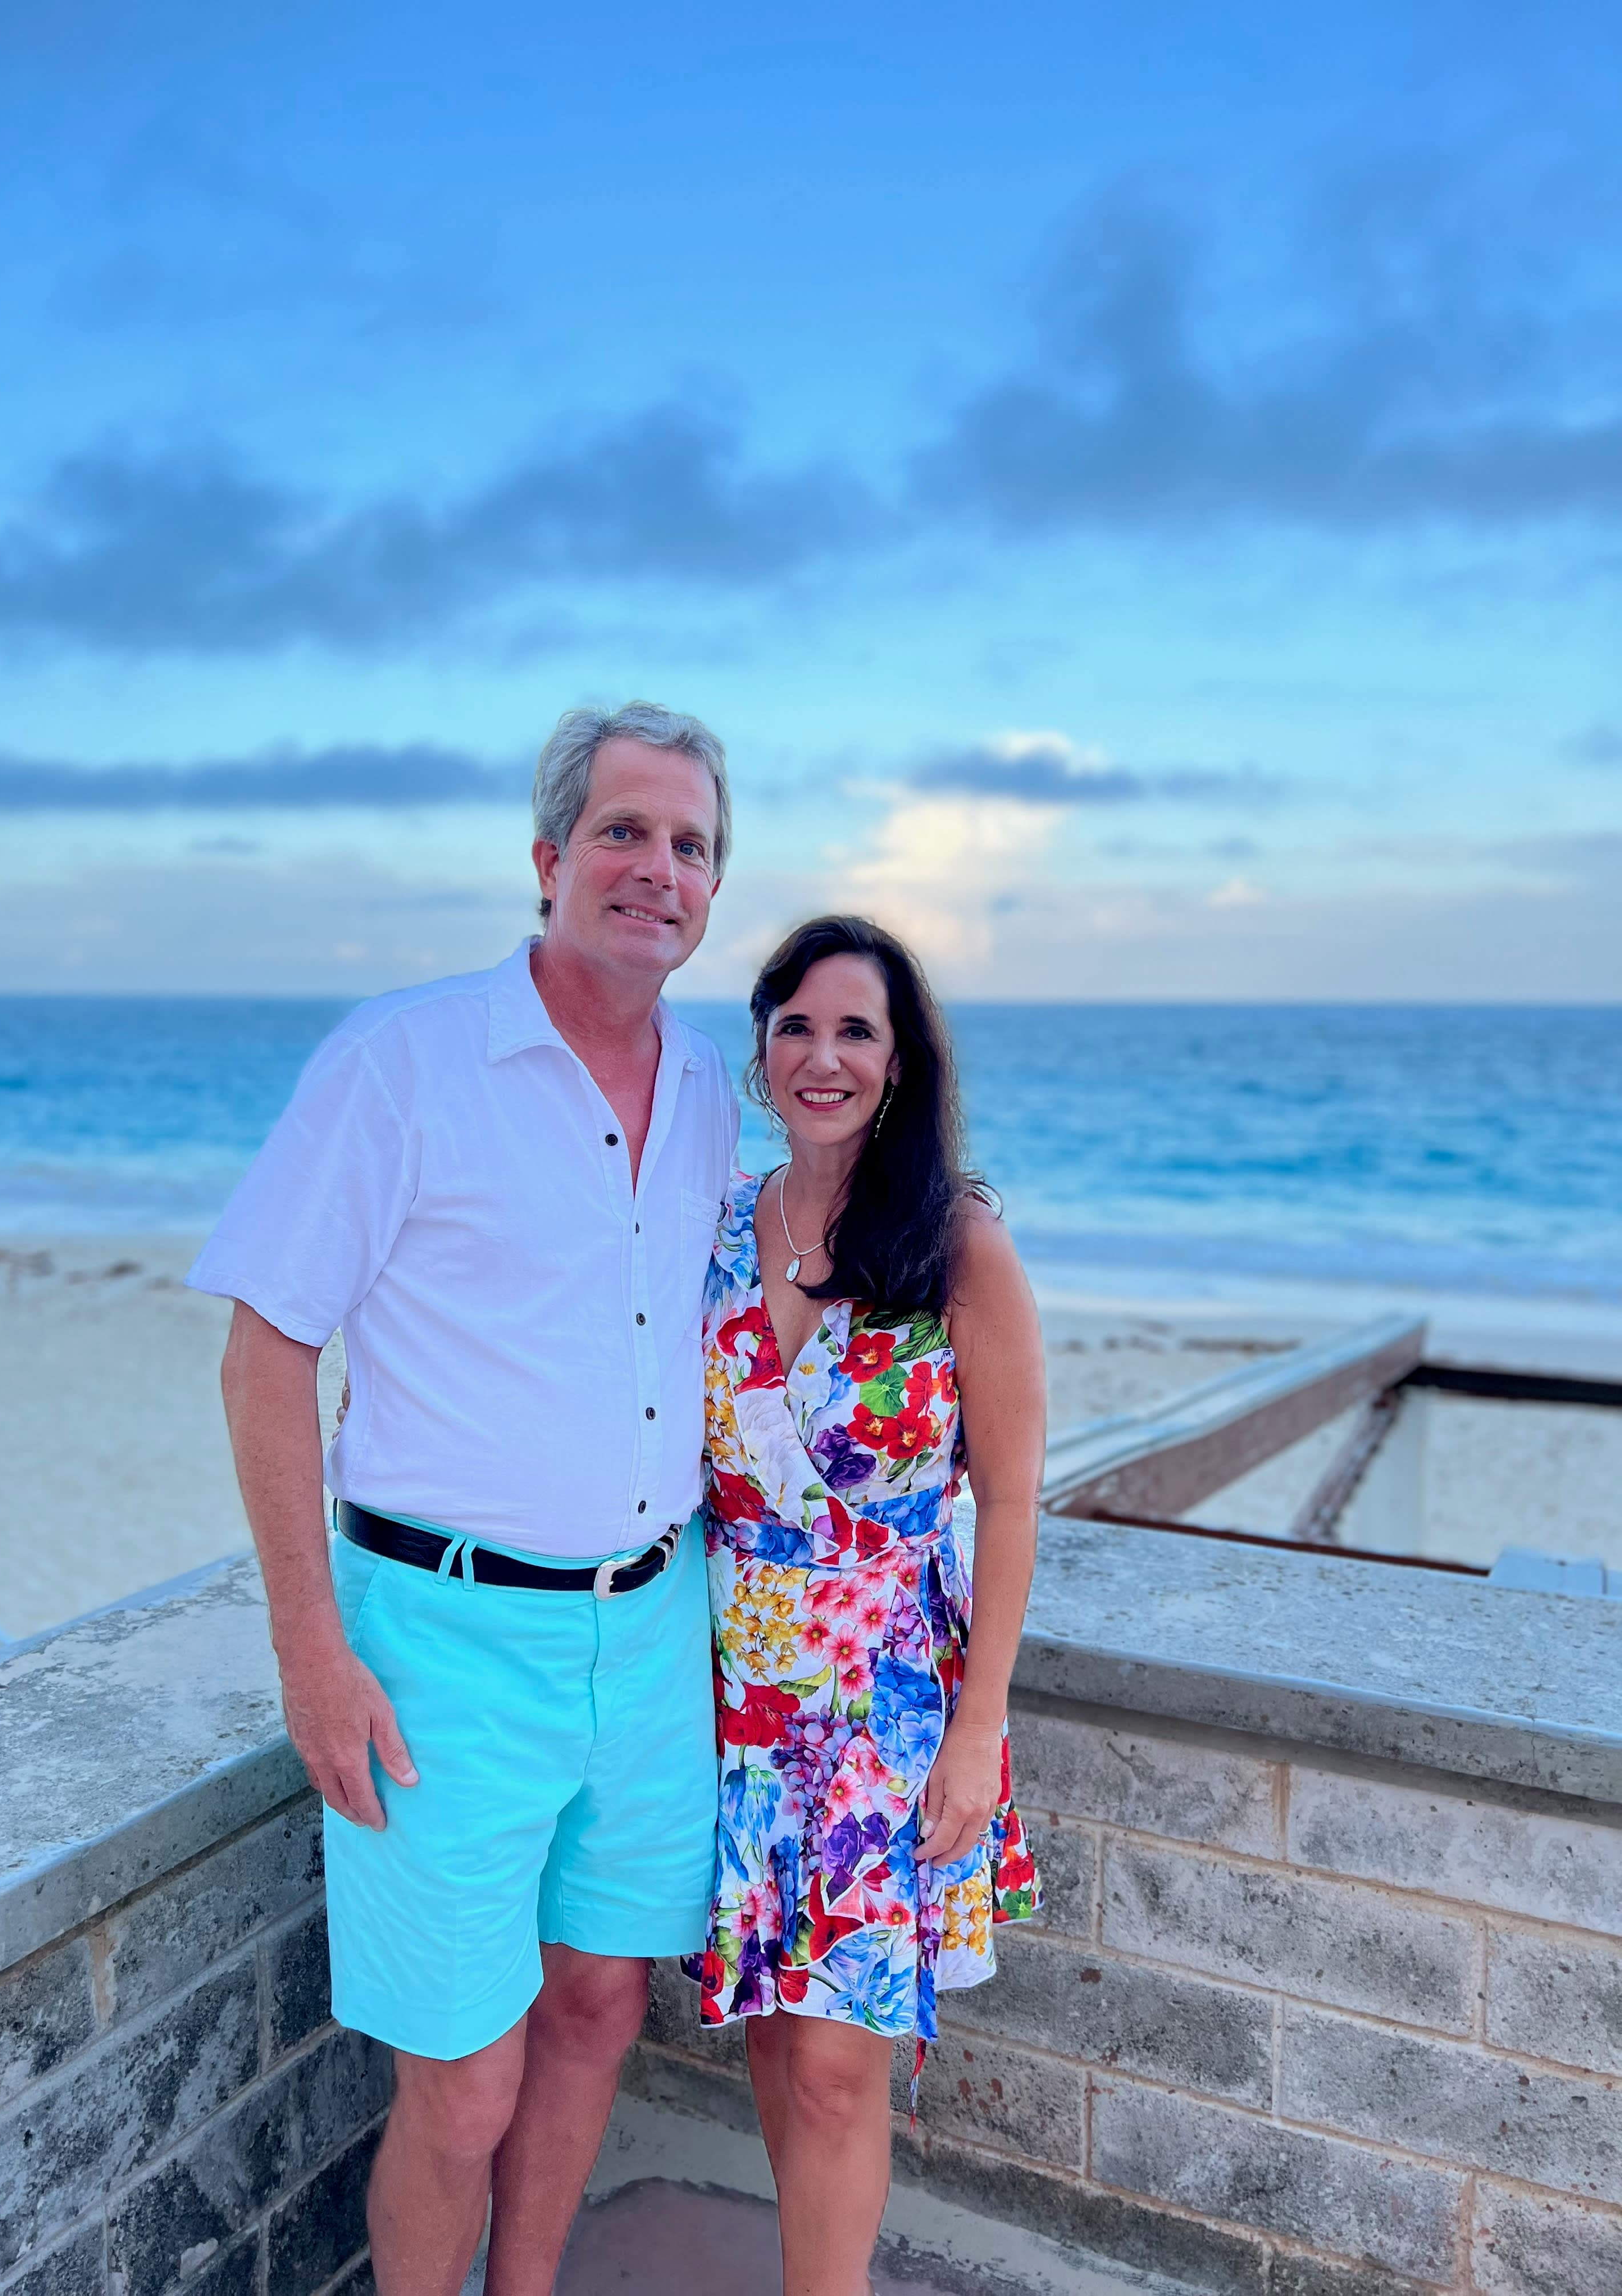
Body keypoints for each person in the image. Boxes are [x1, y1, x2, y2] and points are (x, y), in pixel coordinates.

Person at [187, 703, 740, 2296]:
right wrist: (311, 1647)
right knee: (464, 2084)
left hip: (652, 1635)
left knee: (599, 2012)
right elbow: (265, 1355)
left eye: (692, 844)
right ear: (550, 858)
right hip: (440, 1648)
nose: (658, 868)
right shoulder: (402, 1061)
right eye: (625, 831)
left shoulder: (710, 1088)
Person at [689, 914, 1046, 2296]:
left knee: (839, 2065)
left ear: (901, 1064)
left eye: (857, 1030)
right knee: (778, 2036)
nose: (823, 1057)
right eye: (797, 1027)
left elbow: (1010, 1498)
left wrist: (978, 1727)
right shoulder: (719, 1226)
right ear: (761, 1051)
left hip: (885, 1707)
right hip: (734, 1696)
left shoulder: (955, 1242)